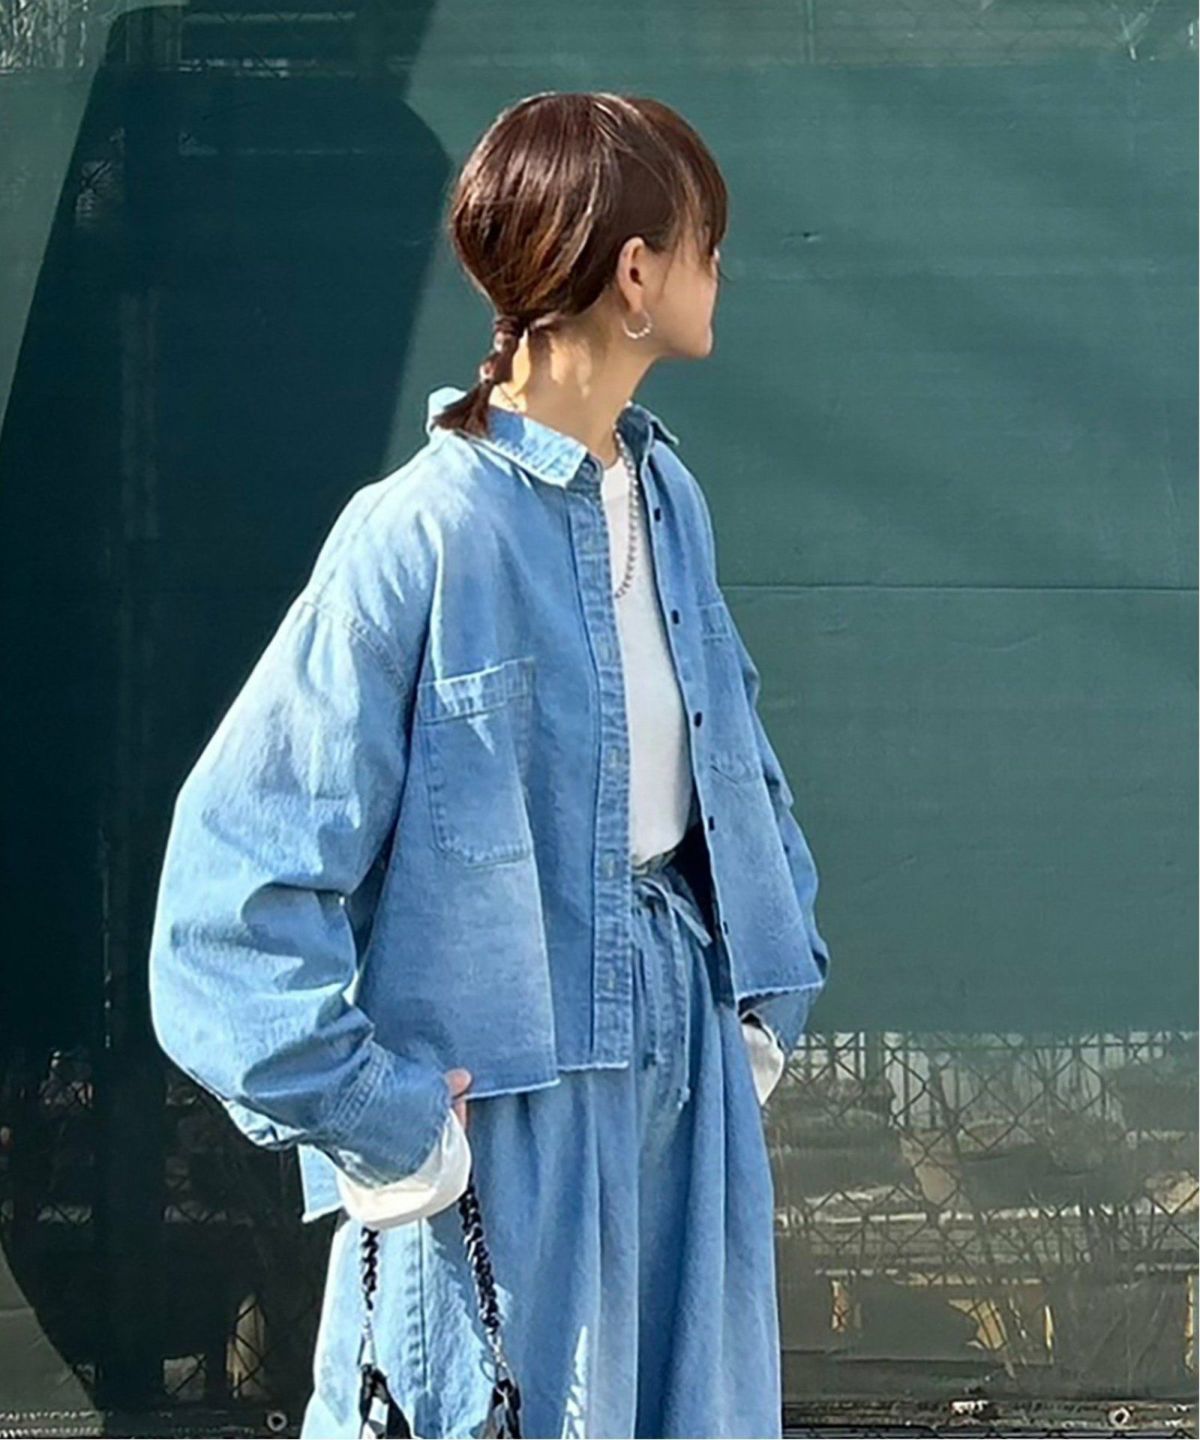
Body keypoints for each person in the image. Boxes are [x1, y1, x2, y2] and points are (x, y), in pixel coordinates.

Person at [148, 90, 830, 1439]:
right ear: (635, 274)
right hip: (505, 1116)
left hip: (683, 1086)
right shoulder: (419, 533)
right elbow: (225, 902)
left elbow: (736, 758)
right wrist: (381, 1116)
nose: (720, 273)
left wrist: (759, 1002)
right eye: (704, 243)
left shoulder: (665, 497)